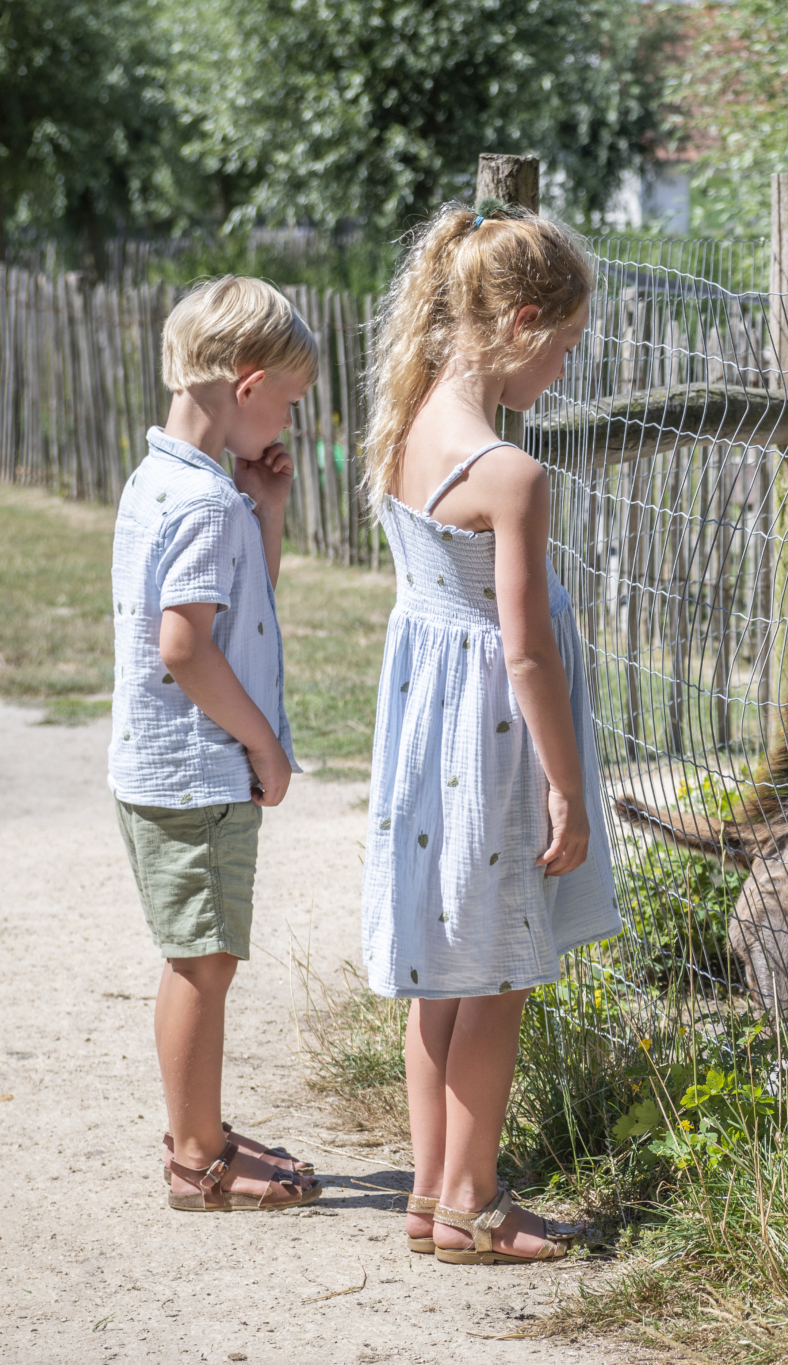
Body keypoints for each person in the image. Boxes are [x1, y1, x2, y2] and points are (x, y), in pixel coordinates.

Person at [360, 199, 619, 1265]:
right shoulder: (509, 475)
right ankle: (473, 1199)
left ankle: (429, 1194)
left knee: (443, 968)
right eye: (560, 347)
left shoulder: (406, 422)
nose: (560, 370)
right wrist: (566, 785)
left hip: (424, 729)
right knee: (502, 967)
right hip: (494, 742)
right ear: (516, 320)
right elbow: (526, 656)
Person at [111, 276, 324, 1212]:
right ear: (246, 387)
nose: (287, 420)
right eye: (285, 400)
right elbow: (187, 645)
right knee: (202, 959)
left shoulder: (172, 481)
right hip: (199, 768)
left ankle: (200, 1132)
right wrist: (265, 747)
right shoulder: (201, 504)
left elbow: (236, 607)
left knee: (198, 950)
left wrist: (267, 509)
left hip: (166, 766)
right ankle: (199, 1159)